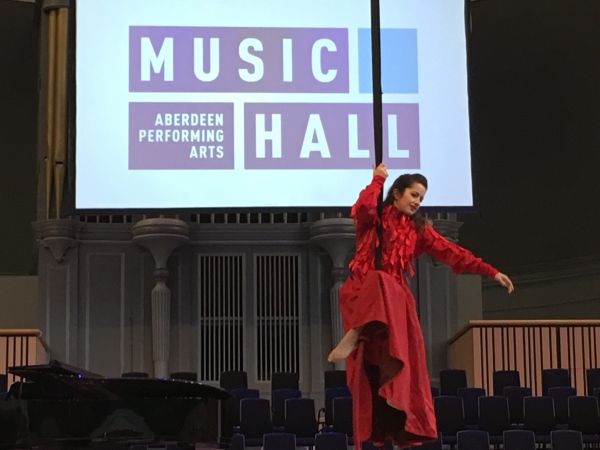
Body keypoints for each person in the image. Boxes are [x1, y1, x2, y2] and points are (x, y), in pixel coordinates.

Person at [327, 163, 514, 448]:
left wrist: (491, 272)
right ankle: (359, 333)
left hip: (394, 306)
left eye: (421, 198)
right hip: (363, 293)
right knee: (379, 282)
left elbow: (452, 253)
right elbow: (363, 207)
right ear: (397, 193)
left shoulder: (419, 229)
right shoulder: (374, 219)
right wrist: (376, 182)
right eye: (413, 194)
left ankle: (359, 336)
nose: (417, 201)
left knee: (396, 366)